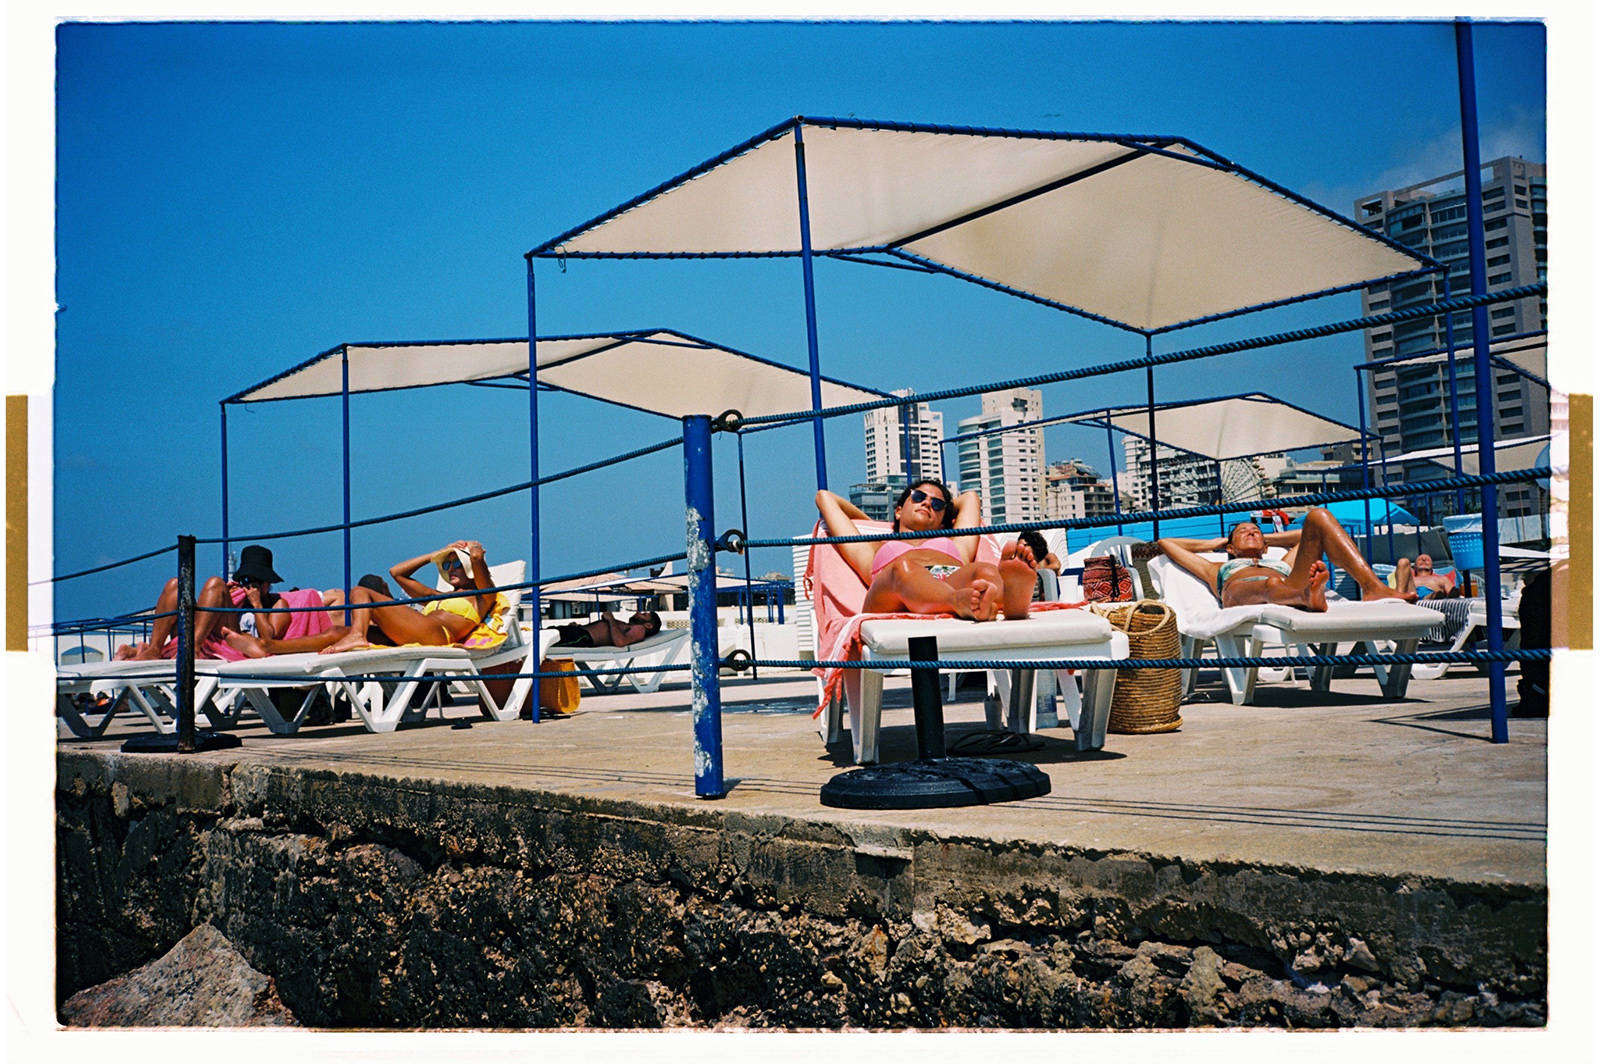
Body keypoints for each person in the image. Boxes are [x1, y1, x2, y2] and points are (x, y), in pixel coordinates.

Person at [815, 479, 1036, 622]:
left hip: (949, 580)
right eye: (919, 497)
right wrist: (874, 524)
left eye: (937, 505)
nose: (927, 503)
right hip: (894, 590)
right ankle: (959, 602)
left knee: (985, 570)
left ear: (943, 522)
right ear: (899, 510)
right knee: (902, 568)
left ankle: (1012, 602)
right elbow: (824, 498)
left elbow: (970, 498)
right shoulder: (871, 546)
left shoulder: (955, 542)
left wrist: (944, 518)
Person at [1156, 507, 1416, 612]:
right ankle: (1306, 596)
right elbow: (1165, 543)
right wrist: (1218, 544)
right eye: (1242, 532)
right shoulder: (1216, 567)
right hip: (1241, 591)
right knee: (1270, 583)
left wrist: (1268, 540)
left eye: (1255, 530)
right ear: (1231, 548)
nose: (1251, 531)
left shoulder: (1281, 562)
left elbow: (1308, 533)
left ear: (1267, 546)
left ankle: (1372, 587)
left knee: (1319, 515)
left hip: (1287, 583)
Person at [115, 544, 345, 661]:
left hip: (239, 642)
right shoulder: (239, 598)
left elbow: (269, 639)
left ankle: (190, 647)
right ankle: (155, 648)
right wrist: (227, 595)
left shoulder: (279, 605)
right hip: (216, 634)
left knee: (213, 582)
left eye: (258, 581)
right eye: (247, 580)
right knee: (177, 585)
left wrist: (256, 605)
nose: (252, 586)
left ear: (268, 583)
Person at [552, 609, 662, 649]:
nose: (638, 612)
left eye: (644, 614)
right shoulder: (627, 626)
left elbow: (620, 642)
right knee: (544, 634)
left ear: (648, 625)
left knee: (543, 640)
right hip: (579, 633)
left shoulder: (639, 629)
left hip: (583, 637)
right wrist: (578, 627)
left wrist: (611, 619)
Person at [1393, 553, 1462, 599]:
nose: (1424, 560)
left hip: (1432, 595)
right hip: (1411, 594)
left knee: (1436, 595)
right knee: (1403, 561)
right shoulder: (1407, 578)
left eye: (1427, 560)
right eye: (1420, 560)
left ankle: (1433, 597)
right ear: (1414, 567)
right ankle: (1399, 599)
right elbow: (1398, 587)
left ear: (1432, 566)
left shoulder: (1442, 578)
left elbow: (1452, 593)